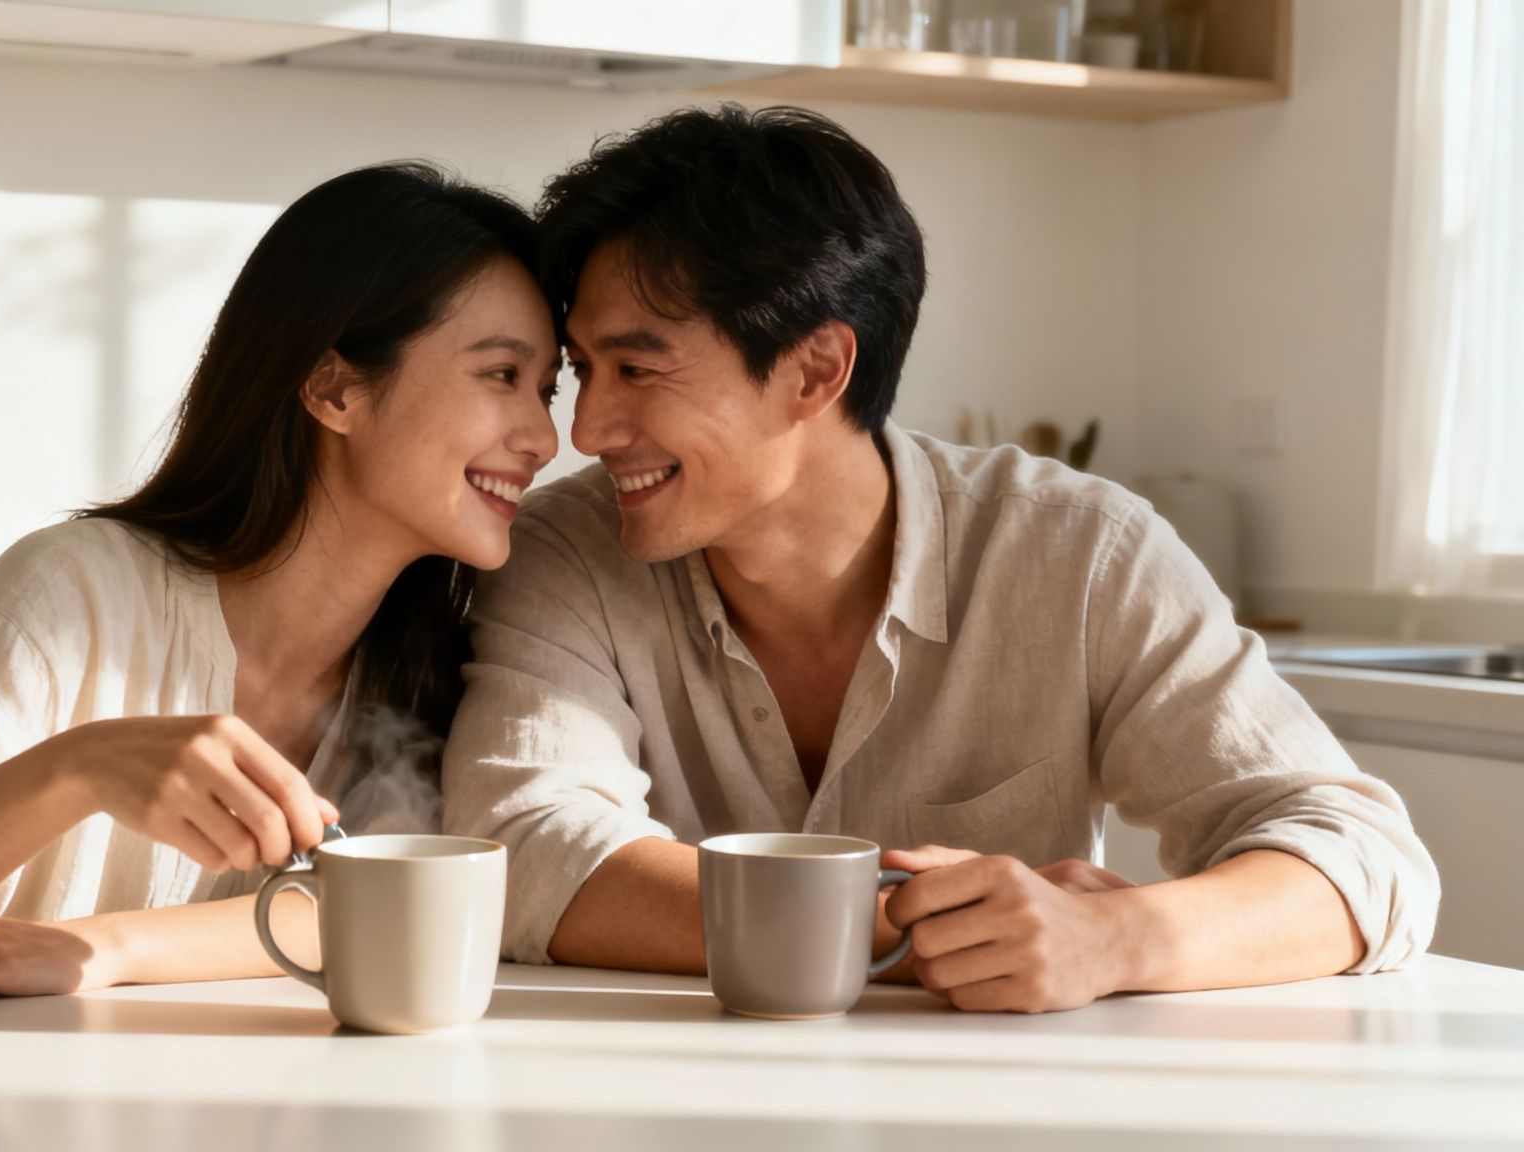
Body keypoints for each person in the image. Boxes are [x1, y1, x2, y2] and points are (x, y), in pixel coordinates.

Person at [441, 105, 1439, 1013]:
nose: (586, 428)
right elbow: (520, 854)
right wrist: (929, 934)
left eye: (634, 368)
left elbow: (1361, 857)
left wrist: (1120, 936)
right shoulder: (565, 552)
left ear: (815, 369)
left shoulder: (1079, 552)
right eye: (580, 371)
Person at [0, 162, 561, 1002]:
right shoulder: (77, 594)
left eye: (546, 389)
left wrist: (103, 948)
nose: (544, 438)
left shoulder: (430, 659)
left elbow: (378, 904)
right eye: (501, 376)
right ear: (334, 388)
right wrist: (82, 768)